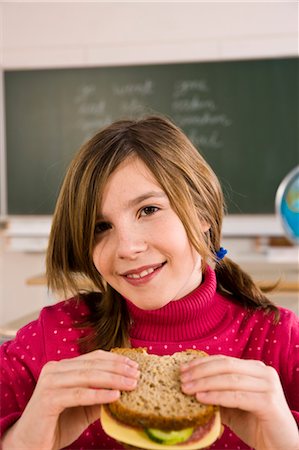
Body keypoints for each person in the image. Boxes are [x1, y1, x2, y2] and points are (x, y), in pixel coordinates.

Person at [1, 115, 298, 450]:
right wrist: (24, 440)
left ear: (201, 212)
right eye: (101, 227)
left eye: (149, 209)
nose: (128, 248)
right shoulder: (51, 339)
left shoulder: (279, 339)